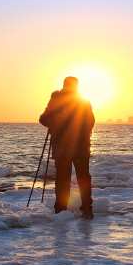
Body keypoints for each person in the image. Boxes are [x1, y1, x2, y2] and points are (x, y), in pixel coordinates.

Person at [39, 76, 95, 219]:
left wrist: (54, 123)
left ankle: (61, 210)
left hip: (62, 149)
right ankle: (87, 209)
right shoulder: (85, 103)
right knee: (83, 179)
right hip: (81, 148)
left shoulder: (56, 100)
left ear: (64, 85)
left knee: (62, 180)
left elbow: (43, 119)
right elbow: (91, 122)